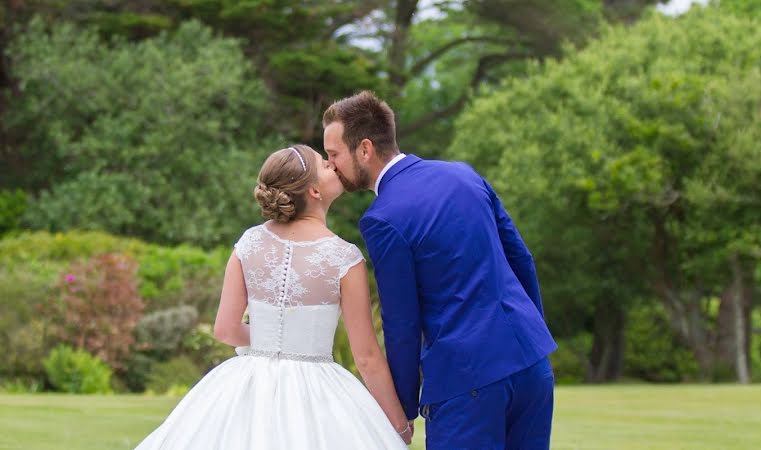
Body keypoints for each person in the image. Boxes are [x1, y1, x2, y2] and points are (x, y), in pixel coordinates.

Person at [322, 91, 558, 449]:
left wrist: (401, 408)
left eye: (334, 154)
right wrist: (530, 339)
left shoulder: (382, 218)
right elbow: (521, 258)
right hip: (532, 366)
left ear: (365, 149)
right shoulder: (464, 175)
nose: (331, 164)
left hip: (467, 382)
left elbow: (402, 322)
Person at [134, 144, 410, 449]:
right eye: (323, 163)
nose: (332, 165)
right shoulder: (344, 257)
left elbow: (225, 330)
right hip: (318, 389)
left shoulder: (249, 243)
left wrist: (269, 337)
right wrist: (398, 424)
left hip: (247, 383)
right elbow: (367, 358)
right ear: (315, 191)